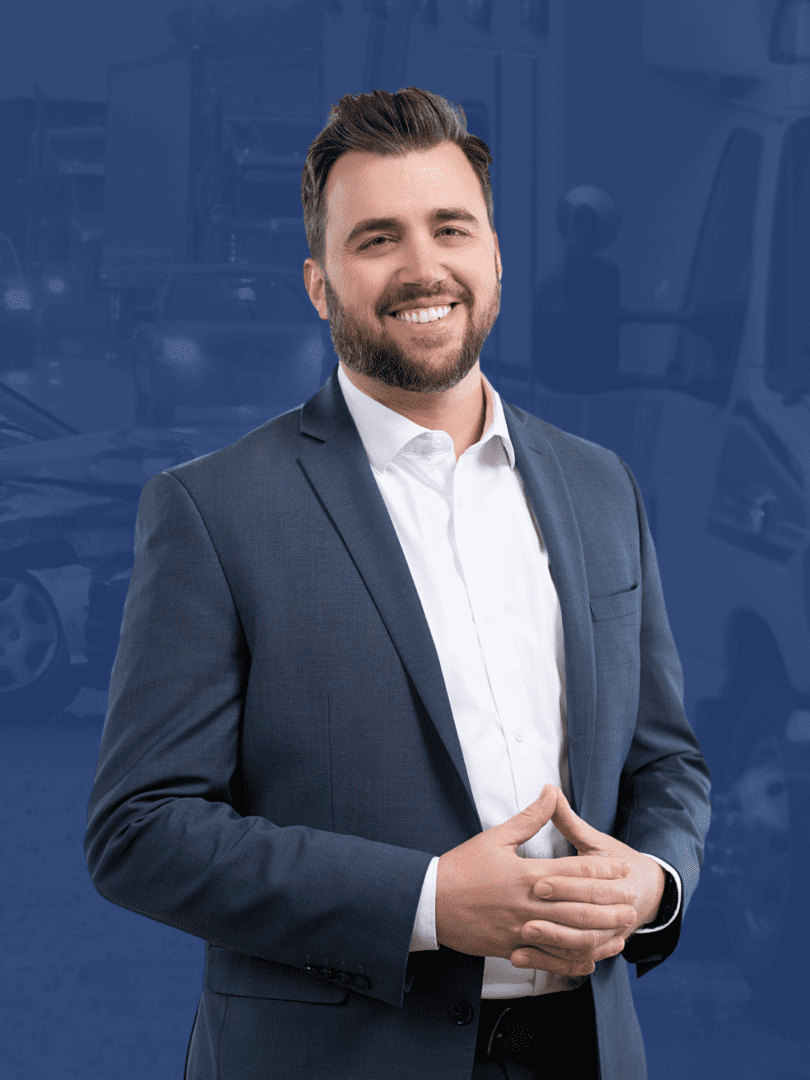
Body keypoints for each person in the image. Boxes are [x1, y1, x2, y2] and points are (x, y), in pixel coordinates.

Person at [85, 88, 711, 1080]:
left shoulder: (599, 487)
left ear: (495, 256)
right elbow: (140, 830)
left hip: (585, 1049)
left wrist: (655, 881)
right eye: (377, 238)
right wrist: (423, 902)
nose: (424, 268)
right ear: (318, 283)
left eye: (450, 227)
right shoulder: (212, 511)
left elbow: (666, 763)